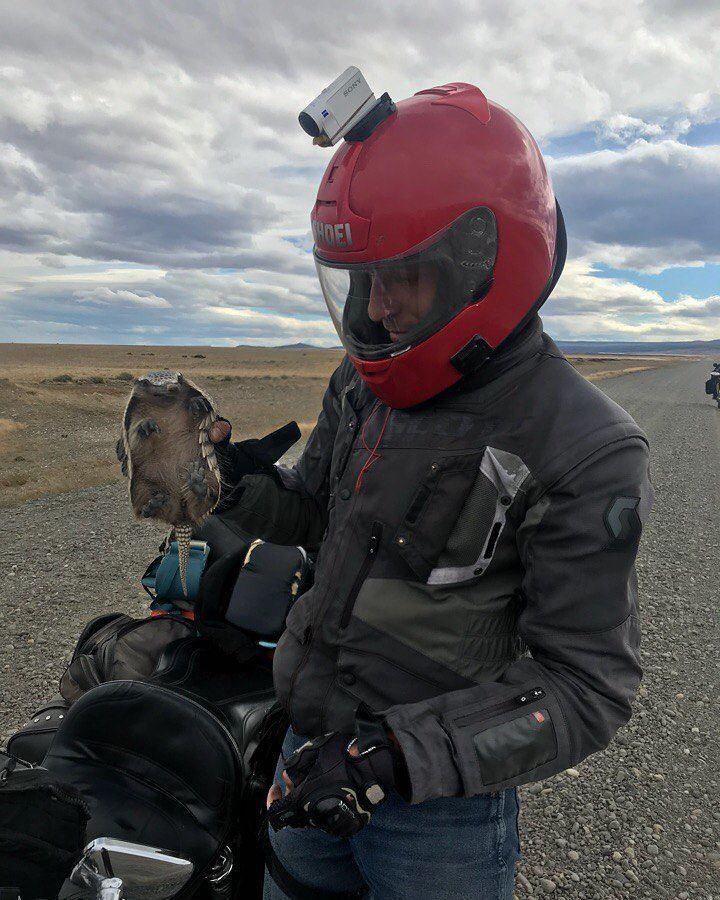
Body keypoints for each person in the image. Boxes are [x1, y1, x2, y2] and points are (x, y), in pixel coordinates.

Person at [213, 82, 653, 899]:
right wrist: (236, 487)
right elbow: (315, 513)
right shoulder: (365, 380)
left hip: (434, 819)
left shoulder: (583, 445)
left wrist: (391, 759)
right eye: (359, 279)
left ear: (485, 260)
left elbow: (587, 686)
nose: (374, 308)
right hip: (305, 752)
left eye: (401, 276)